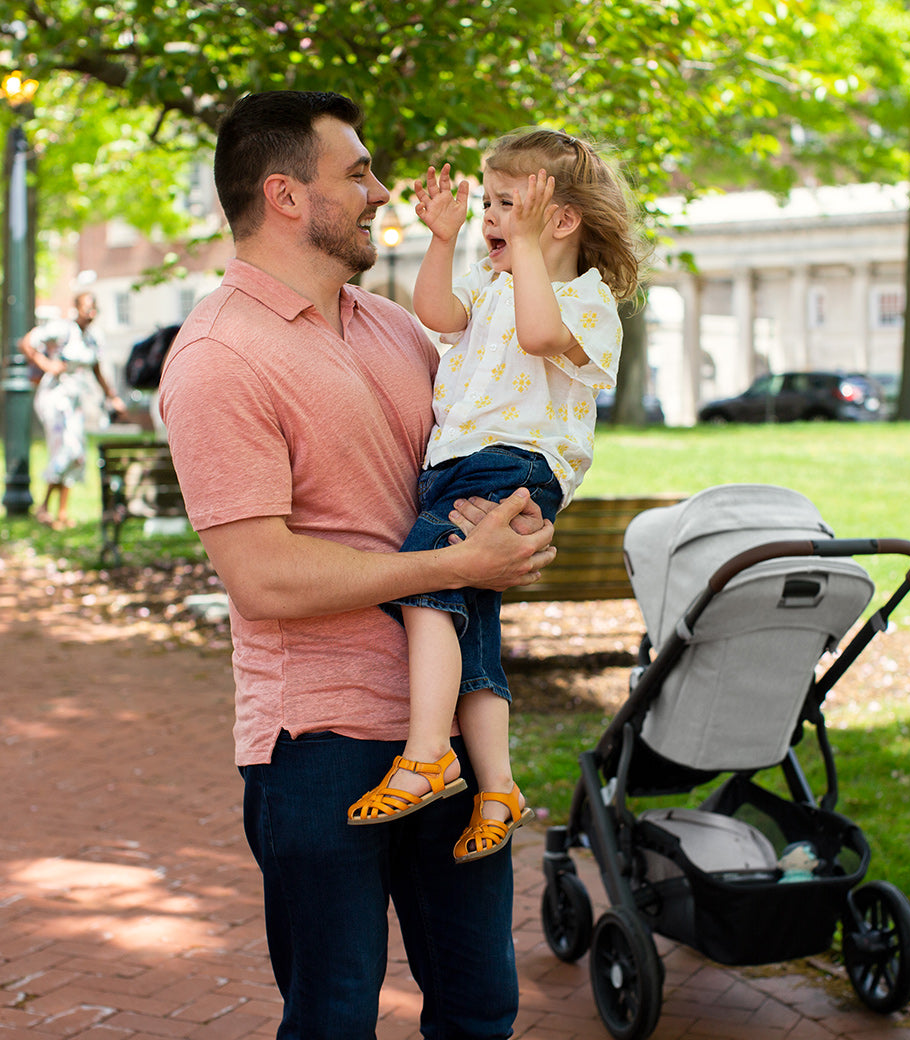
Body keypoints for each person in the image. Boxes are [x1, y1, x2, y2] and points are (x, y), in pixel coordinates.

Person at [156, 90, 556, 1039]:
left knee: (480, 1009)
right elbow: (265, 579)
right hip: (319, 744)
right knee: (334, 1016)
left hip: (449, 736)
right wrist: (459, 564)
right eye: (359, 173)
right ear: (287, 196)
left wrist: (515, 517)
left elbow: (476, 454)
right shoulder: (218, 358)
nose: (381, 191)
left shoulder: (391, 325)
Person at [347, 130, 643, 867]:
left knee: (425, 591)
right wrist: (442, 240)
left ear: (561, 221)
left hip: (512, 464)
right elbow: (439, 315)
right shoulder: (491, 282)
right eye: (487, 202)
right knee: (471, 633)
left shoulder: (585, 299)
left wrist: (532, 253)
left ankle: (427, 756)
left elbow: (542, 337)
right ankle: (498, 786)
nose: (488, 218)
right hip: (457, 466)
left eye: (505, 204)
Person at [19, 291, 125, 528]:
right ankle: (44, 507)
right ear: (76, 308)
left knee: (76, 455)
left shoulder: (93, 338)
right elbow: (26, 342)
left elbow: (97, 371)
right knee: (66, 449)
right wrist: (46, 364)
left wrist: (113, 397)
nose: (91, 312)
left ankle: (62, 512)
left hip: (76, 401)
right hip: (56, 398)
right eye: (87, 307)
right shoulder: (62, 329)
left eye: (94, 308)